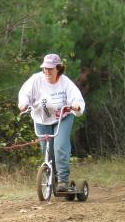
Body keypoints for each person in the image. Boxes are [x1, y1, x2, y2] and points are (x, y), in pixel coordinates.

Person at [18, 53, 85, 192]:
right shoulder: (36, 80)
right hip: (41, 120)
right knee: (47, 151)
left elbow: (76, 99)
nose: (47, 71)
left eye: (50, 68)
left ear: (58, 68)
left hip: (62, 118)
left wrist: (76, 105)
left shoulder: (65, 82)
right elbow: (24, 94)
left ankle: (62, 181)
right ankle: (52, 179)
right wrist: (23, 104)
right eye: (45, 68)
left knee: (60, 147)